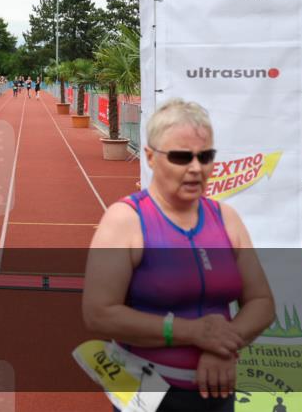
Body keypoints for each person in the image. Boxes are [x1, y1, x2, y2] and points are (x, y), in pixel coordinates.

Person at [82, 99, 274, 411]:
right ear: (150, 157)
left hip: (218, 392)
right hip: (148, 393)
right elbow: (98, 314)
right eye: (181, 157)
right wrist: (193, 333)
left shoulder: (226, 218)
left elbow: (263, 303)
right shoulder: (125, 221)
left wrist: (222, 347)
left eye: (205, 156)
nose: (196, 168)